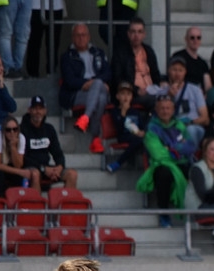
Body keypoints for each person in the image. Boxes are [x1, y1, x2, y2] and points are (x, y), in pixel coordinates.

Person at [138, 94, 196, 227]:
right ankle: (163, 212)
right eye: (162, 108)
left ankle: (198, 215)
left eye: (168, 108)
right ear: (157, 110)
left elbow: (191, 146)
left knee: (198, 171)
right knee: (164, 173)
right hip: (162, 164)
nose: (165, 111)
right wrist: (178, 150)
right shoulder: (152, 128)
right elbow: (158, 154)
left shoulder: (179, 125)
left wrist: (171, 148)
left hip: (182, 163)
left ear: (173, 109)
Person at [59, 23, 110, 154]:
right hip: (77, 93)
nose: (81, 38)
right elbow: (70, 81)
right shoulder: (67, 57)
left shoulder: (99, 53)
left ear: (89, 37)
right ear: (72, 37)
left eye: (83, 35)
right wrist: (89, 83)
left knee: (98, 85)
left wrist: (94, 83)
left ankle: (85, 118)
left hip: (96, 88)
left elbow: (108, 73)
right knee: (101, 97)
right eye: (77, 35)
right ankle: (95, 138)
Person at [20, 95, 77, 193]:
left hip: (46, 168)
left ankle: (68, 206)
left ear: (45, 111)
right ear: (29, 110)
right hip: (30, 168)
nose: (38, 112)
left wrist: (59, 167)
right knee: (35, 174)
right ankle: (37, 206)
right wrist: (43, 168)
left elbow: (58, 153)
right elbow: (23, 158)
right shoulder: (22, 129)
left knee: (72, 174)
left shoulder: (49, 129)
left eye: (41, 109)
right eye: (35, 109)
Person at [110, 17, 163, 112]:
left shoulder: (149, 51)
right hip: (131, 95)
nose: (136, 35)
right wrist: (136, 90)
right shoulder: (120, 52)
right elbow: (117, 79)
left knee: (170, 97)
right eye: (133, 32)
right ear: (128, 34)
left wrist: (162, 84)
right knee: (155, 101)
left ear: (144, 34)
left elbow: (156, 74)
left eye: (139, 32)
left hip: (151, 90)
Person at [159, 56, 208, 145]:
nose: (177, 73)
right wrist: (169, 96)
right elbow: (160, 116)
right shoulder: (162, 92)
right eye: (174, 70)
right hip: (171, 127)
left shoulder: (195, 90)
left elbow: (205, 117)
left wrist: (189, 122)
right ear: (169, 71)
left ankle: (189, 157)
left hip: (193, 126)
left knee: (190, 130)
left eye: (180, 70)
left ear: (185, 72)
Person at [104, 82, 147, 174]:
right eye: (123, 94)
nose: (125, 97)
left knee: (145, 139)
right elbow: (119, 127)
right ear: (117, 96)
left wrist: (142, 132)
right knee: (140, 140)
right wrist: (123, 111)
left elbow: (142, 127)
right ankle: (118, 163)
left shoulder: (135, 111)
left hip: (137, 137)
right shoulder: (115, 111)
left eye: (128, 94)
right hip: (124, 136)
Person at [0, 115, 27, 195]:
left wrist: (13, 147)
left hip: (5, 164)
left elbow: (18, 165)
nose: (12, 132)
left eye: (15, 129)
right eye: (8, 130)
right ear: (4, 131)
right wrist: (19, 172)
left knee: (19, 176)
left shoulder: (21, 138)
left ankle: (17, 200)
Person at [170, 26, 211, 91]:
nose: (195, 40)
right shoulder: (178, 56)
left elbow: (208, 86)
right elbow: (172, 77)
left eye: (198, 38)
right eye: (192, 38)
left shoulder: (203, 63)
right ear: (186, 39)